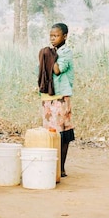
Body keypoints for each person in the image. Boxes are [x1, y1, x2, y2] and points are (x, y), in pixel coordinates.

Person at [40, 22, 75, 177]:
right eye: (51, 36)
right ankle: (51, 166)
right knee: (50, 132)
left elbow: (57, 70)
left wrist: (49, 55)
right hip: (48, 96)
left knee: (63, 132)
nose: (53, 39)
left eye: (56, 35)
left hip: (61, 96)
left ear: (65, 36)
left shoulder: (65, 52)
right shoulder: (50, 52)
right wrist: (47, 54)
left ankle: (61, 167)